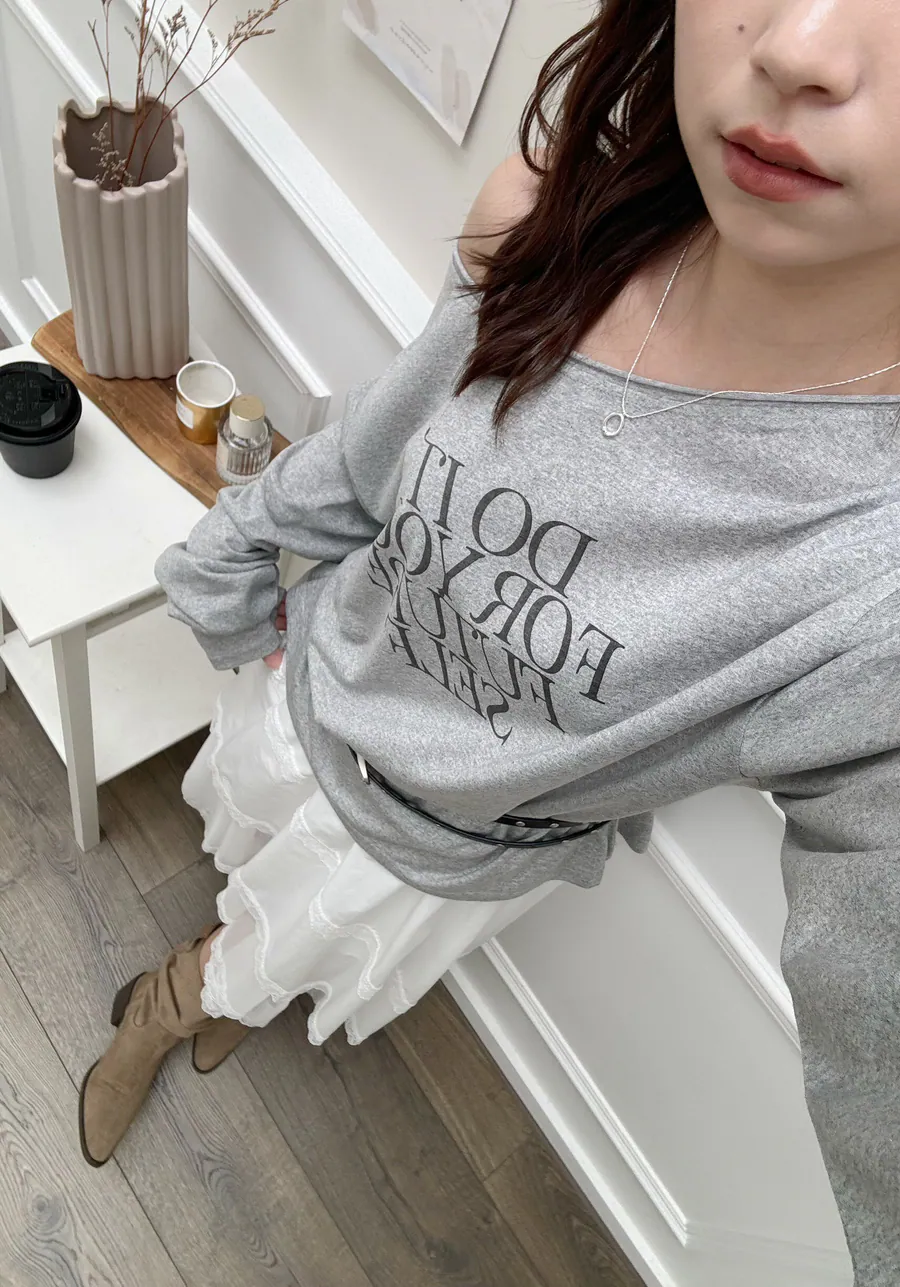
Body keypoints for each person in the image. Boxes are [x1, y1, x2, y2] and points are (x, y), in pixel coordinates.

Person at [79, 0, 900, 1279]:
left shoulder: (873, 577)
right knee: (251, 857)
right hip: (315, 690)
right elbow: (378, 445)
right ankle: (217, 973)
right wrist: (231, 562)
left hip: (435, 858)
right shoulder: (561, 215)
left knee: (294, 942)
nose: (800, 46)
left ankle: (178, 1002)